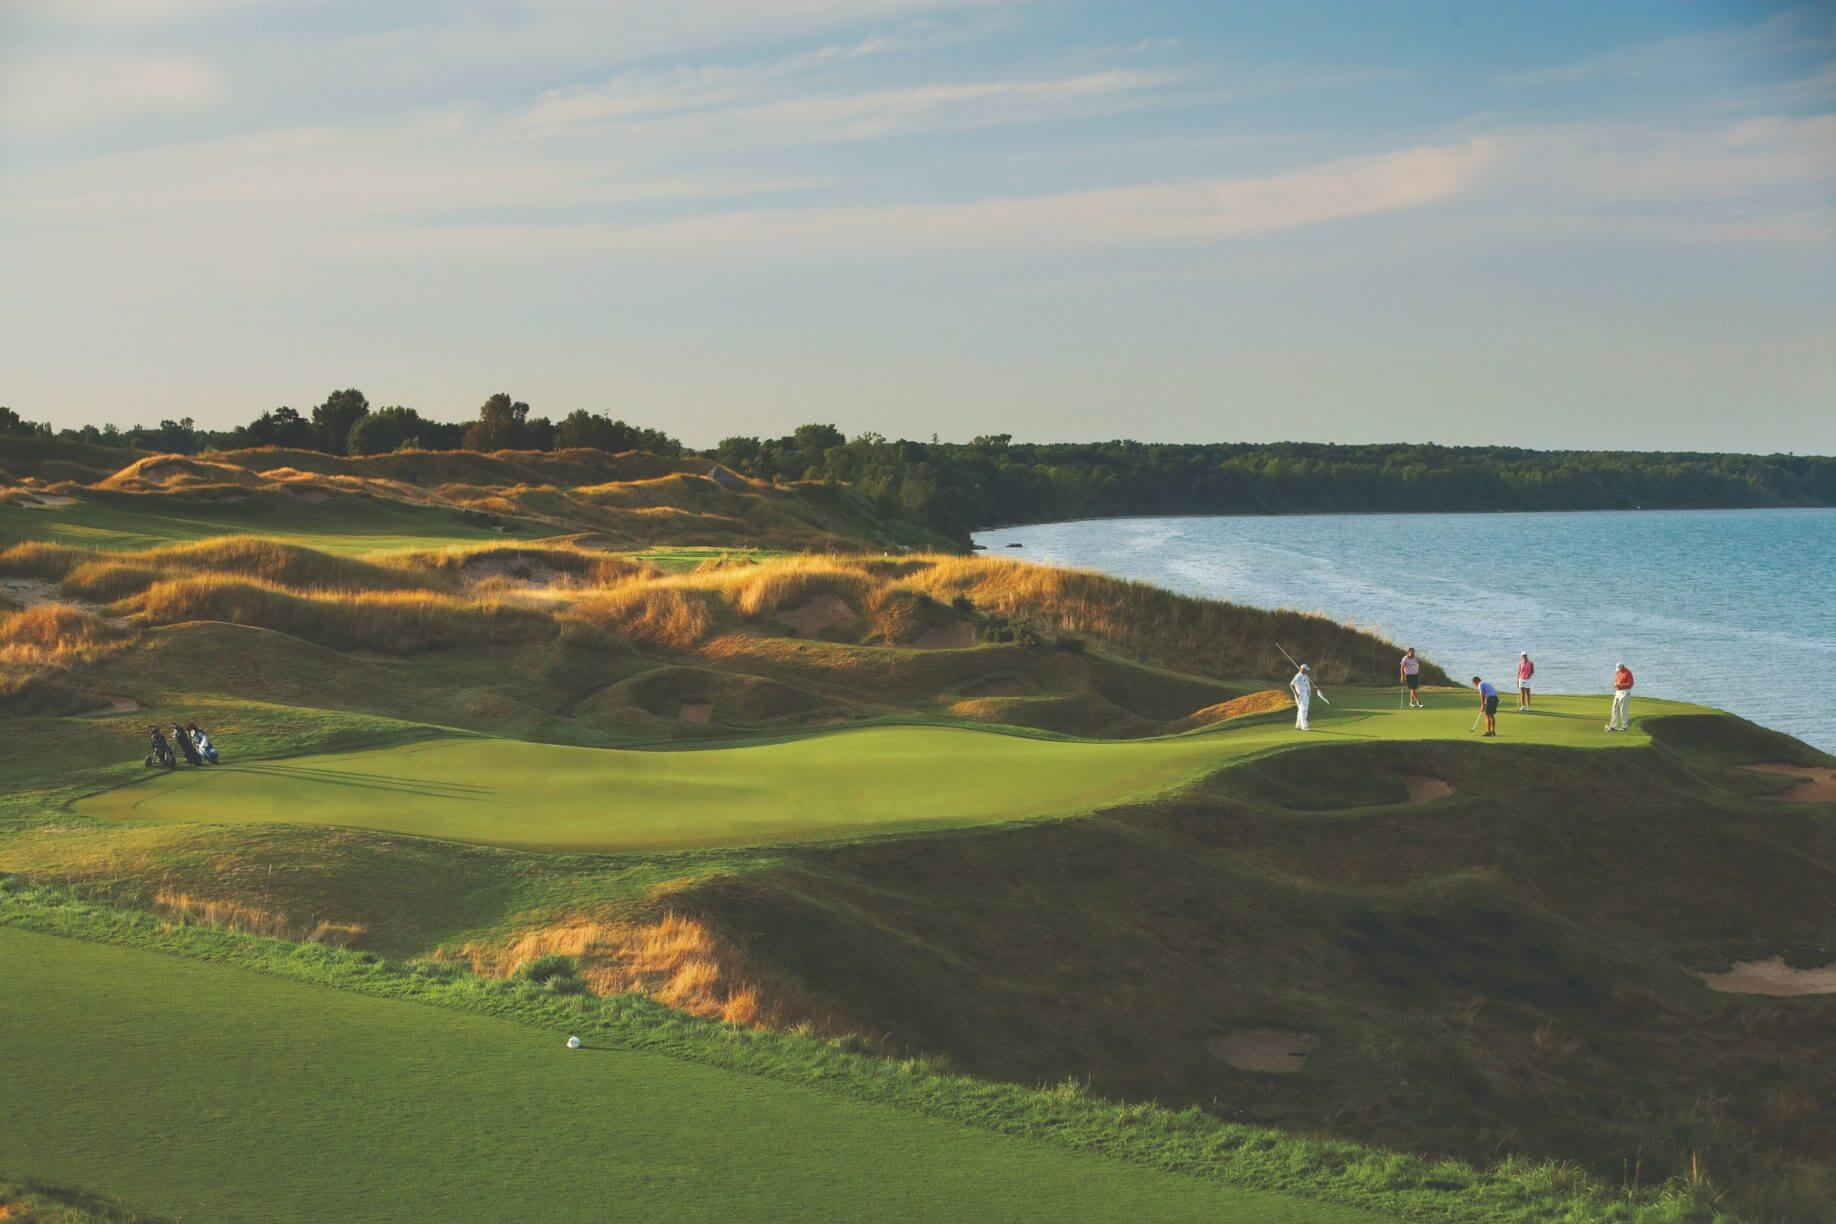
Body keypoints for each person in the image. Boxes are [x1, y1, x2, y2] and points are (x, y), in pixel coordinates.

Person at [1607, 662, 1634, 731]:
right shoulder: (1618, 672)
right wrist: (1615, 685)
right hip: (1618, 692)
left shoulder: (1628, 673)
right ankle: (1613, 726)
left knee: (1623, 710)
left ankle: (1624, 727)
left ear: (1623, 667)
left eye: (1619, 669)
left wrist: (1621, 685)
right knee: (1615, 708)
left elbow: (1630, 684)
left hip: (1625, 692)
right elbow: (1616, 681)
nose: (1618, 670)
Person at [1291, 662, 1316, 731]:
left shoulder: (1304, 676)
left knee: (1301, 710)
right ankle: (1304, 726)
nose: (1308, 671)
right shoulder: (1298, 676)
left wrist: (1313, 688)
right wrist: (1296, 694)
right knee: (1304, 710)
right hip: (1301, 696)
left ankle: (1298, 725)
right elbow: (1291, 684)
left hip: (1305, 695)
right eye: (1307, 670)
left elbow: (1306, 685)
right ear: (1303, 669)